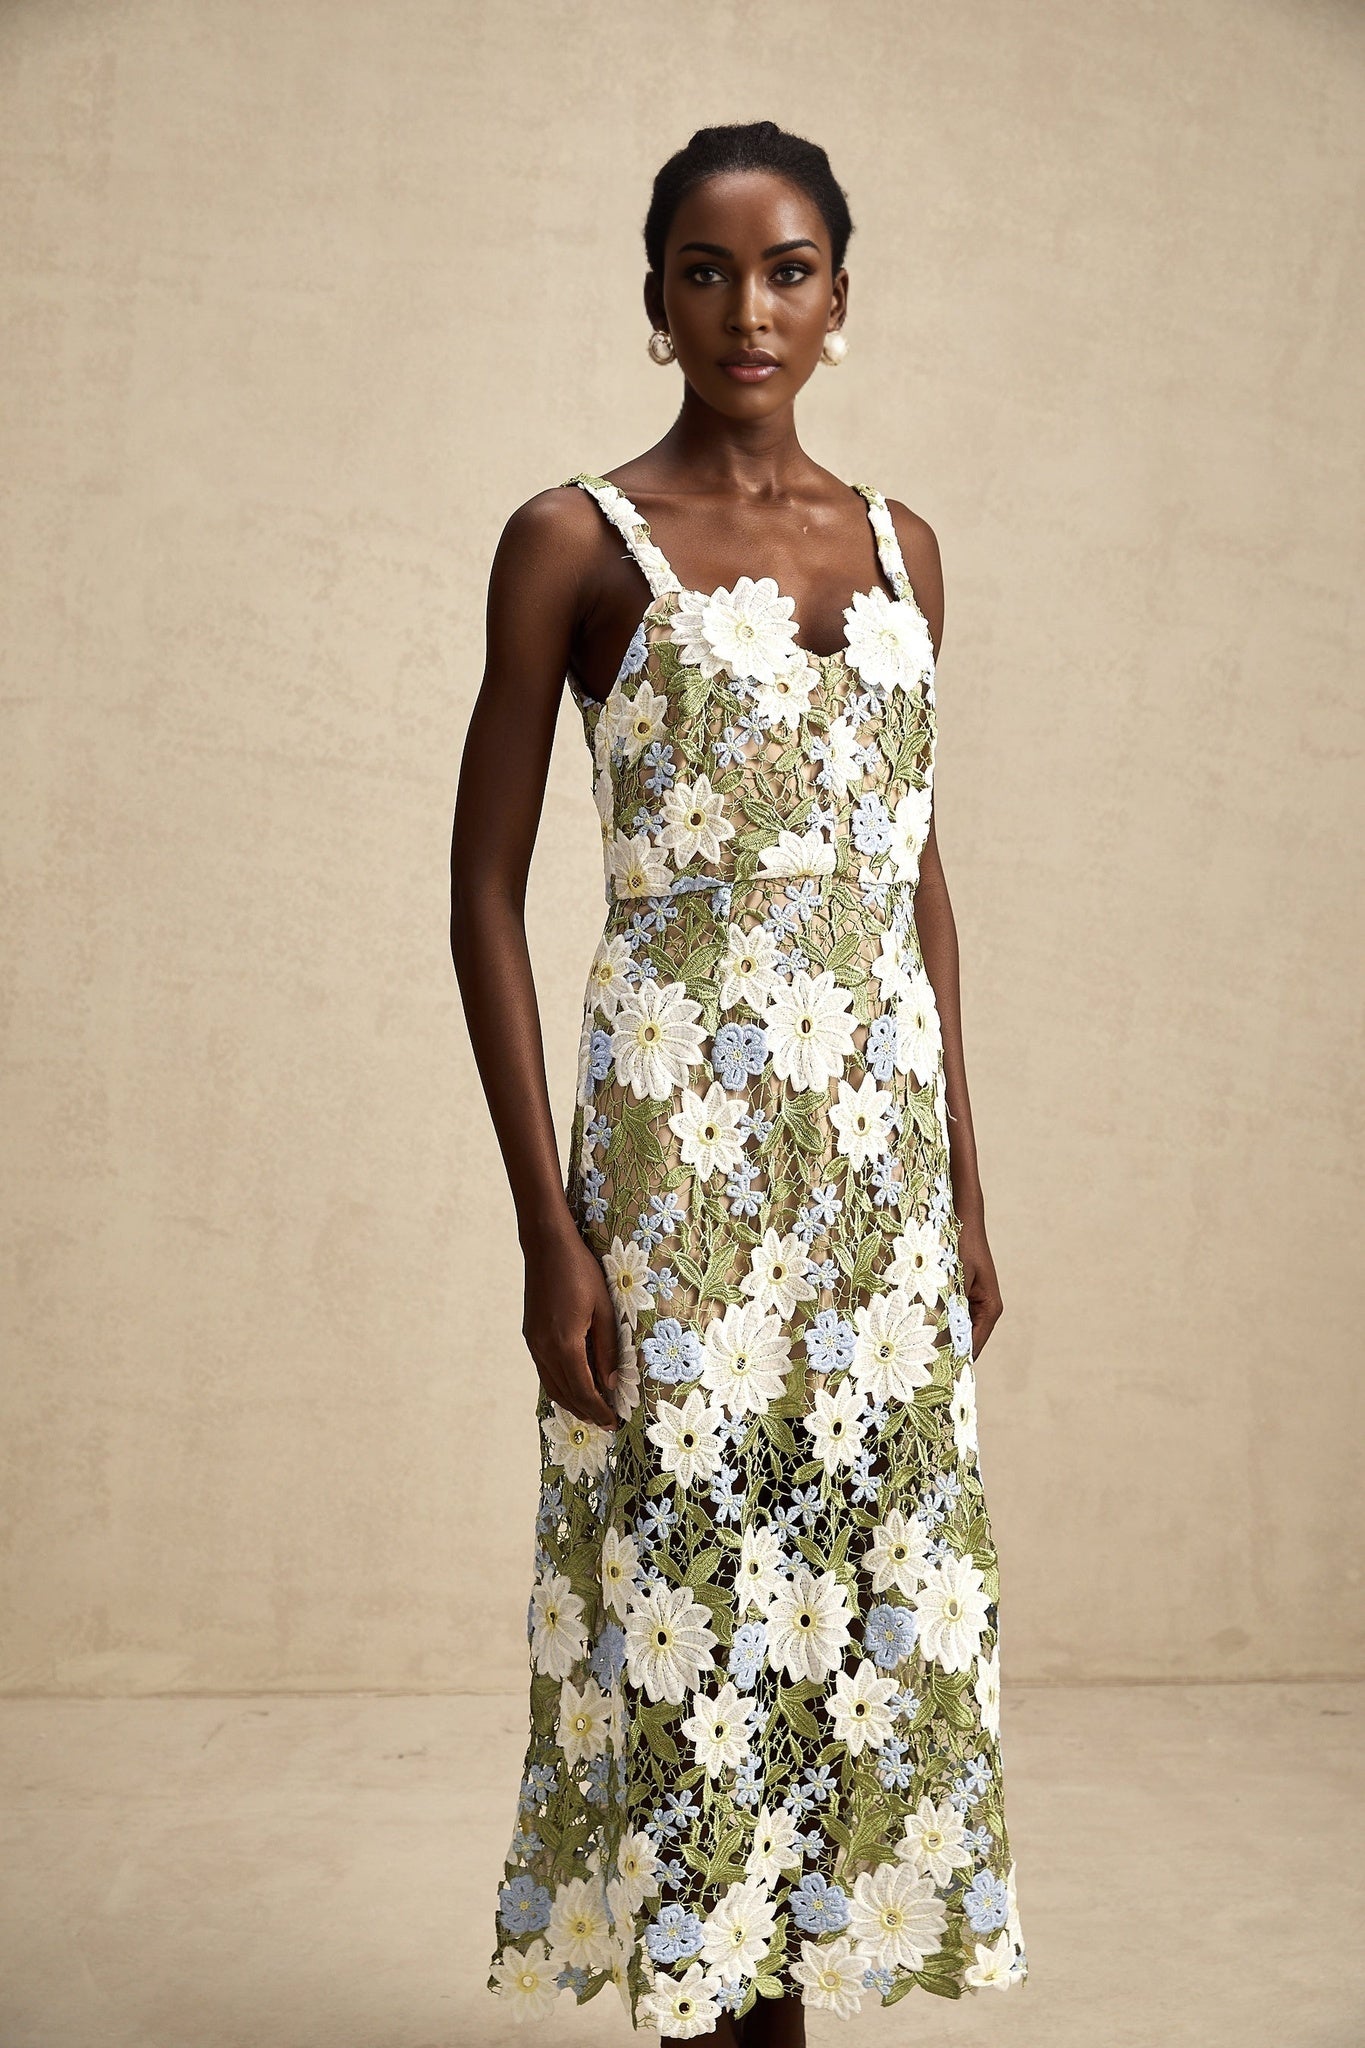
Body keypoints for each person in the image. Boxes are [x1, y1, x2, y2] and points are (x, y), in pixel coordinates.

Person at [452, 119, 1026, 2046]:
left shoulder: (900, 549)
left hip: (866, 1172)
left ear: (841, 298)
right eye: (706, 271)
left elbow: (910, 867)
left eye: (786, 270)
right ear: (652, 305)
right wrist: (550, 1226)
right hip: (680, 1161)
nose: (747, 307)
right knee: (700, 1609)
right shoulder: (571, 542)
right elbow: (481, 887)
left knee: (843, 1605)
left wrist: (960, 1187)